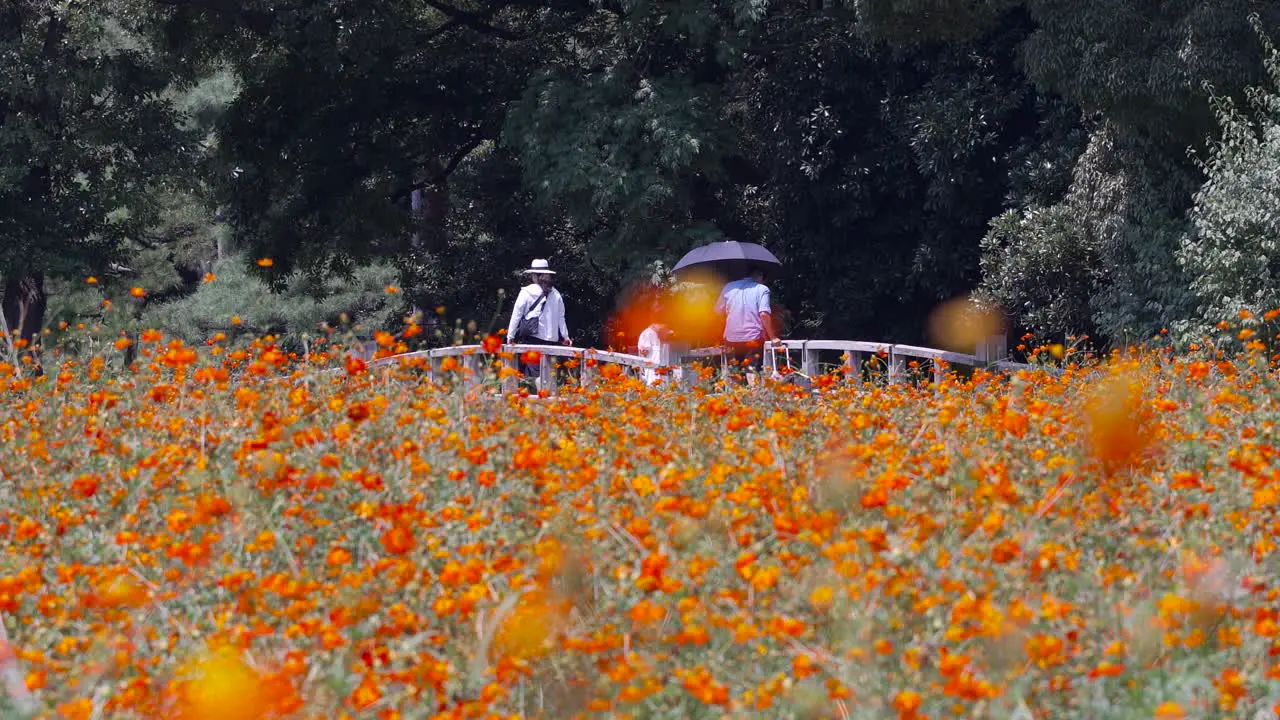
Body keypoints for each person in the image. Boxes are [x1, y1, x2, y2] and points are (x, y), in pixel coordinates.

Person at [506, 259, 572, 388]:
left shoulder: (526, 292)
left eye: (532, 275)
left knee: (534, 376)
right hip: (552, 343)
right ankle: (547, 399)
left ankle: (539, 400)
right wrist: (565, 336)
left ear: (536, 275)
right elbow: (561, 317)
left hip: (533, 341)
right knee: (549, 374)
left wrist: (510, 336)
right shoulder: (556, 294)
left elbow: (517, 315)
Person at [714, 264, 778, 385]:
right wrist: (773, 337)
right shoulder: (761, 289)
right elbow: (764, 314)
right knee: (752, 370)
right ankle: (754, 401)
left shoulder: (729, 287)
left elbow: (717, 311)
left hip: (731, 337)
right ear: (760, 276)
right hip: (753, 337)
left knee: (734, 372)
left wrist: (727, 325)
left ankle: (734, 401)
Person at [637, 321, 681, 386]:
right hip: (652, 370)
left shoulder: (657, 336)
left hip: (661, 370)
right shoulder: (648, 333)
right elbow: (644, 352)